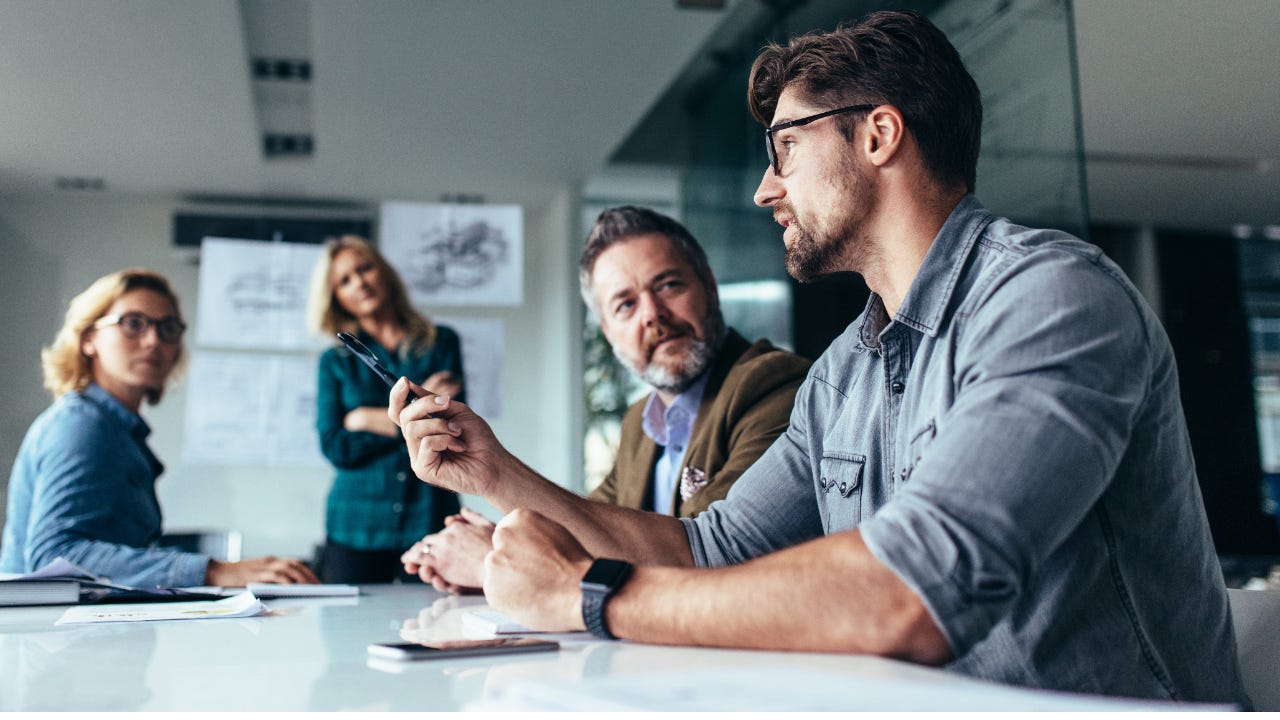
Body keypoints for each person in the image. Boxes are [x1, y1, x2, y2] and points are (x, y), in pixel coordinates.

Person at [389, 10, 1250, 704]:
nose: (767, 187)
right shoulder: (845, 370)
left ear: (879, 135)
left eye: (786, 147)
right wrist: (495, 474)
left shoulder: (1053, 299)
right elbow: (707, 549)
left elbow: (914, 589)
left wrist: (586, 595)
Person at [399, 206, 811, 591]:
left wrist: (494, 559)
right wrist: (505, 539)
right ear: (608, 331)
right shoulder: (640, 422)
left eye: (668, 285)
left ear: (709, 285)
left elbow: (704, 559)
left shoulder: (774, 385)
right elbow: (589, 531)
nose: (652, 314)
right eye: (625, 304)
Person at [0, 268, 318, 588]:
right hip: (48, 634)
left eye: (167, 329)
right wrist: (214, 571)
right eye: (133, 324)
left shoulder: (119, 431)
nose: (153, 341)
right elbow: (55, 556)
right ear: (88, 339)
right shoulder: (82, 425)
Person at [308, 235, 465, 583]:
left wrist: (363, 419)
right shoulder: (334, 362)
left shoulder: (441, 343)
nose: (359, 282)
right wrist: (412, 419)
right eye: (344, 280)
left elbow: (449, 427)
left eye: (365, 269)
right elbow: (335, 445)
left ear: (384, 273)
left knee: (434, 624)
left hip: (428, 516)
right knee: (347, 632)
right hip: (355, 524)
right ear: (336, 298)